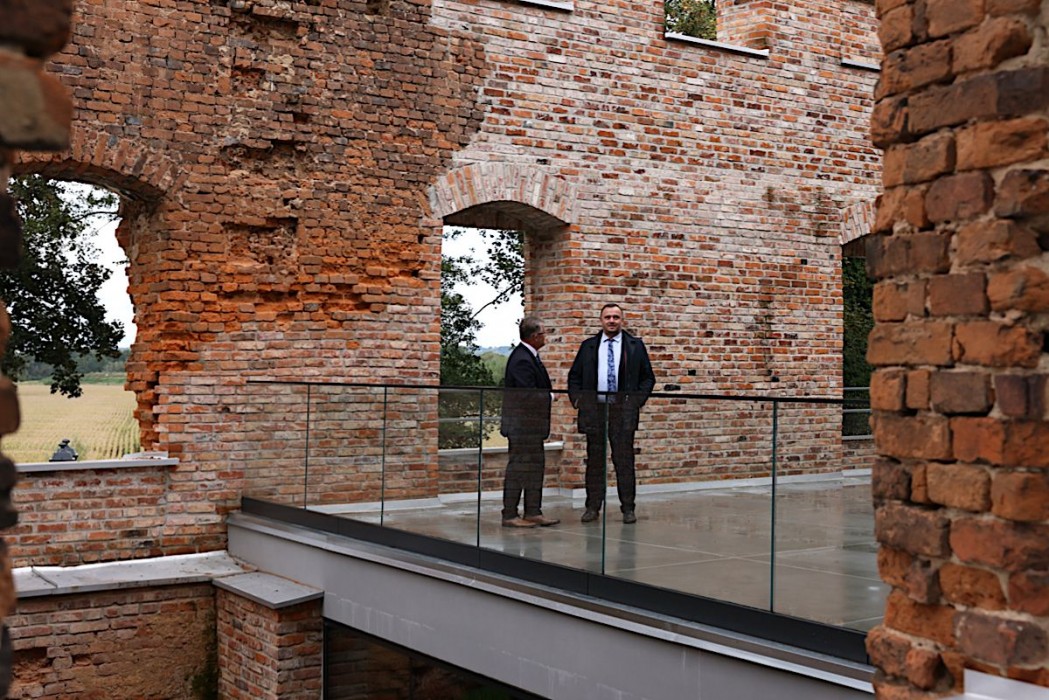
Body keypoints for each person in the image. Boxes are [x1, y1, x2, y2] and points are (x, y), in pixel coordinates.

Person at [568, 303, 655, 524]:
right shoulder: (588, 346)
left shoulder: (634, 346)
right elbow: (574, 377)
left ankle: (628, 508)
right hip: (595, 411)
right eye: (608, 317)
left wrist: (635, 402)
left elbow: (648, 378)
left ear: (622, 320)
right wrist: (579, 401)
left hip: (622, 411)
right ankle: (592, 507)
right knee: (595, 462)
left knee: (624, 461)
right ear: (601, 320)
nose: (612, 321)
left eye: (616, 317)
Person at [499, 316, 559, 528]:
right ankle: (510, 514)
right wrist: (550, 397)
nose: (545, 337)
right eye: (543, 333)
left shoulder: (531, 356)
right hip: (521, 427)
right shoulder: (522, 359)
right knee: (518, 469)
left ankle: (533, 510)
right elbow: (526, 395)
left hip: (532, 428)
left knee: (535, 469)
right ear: (534, 336)